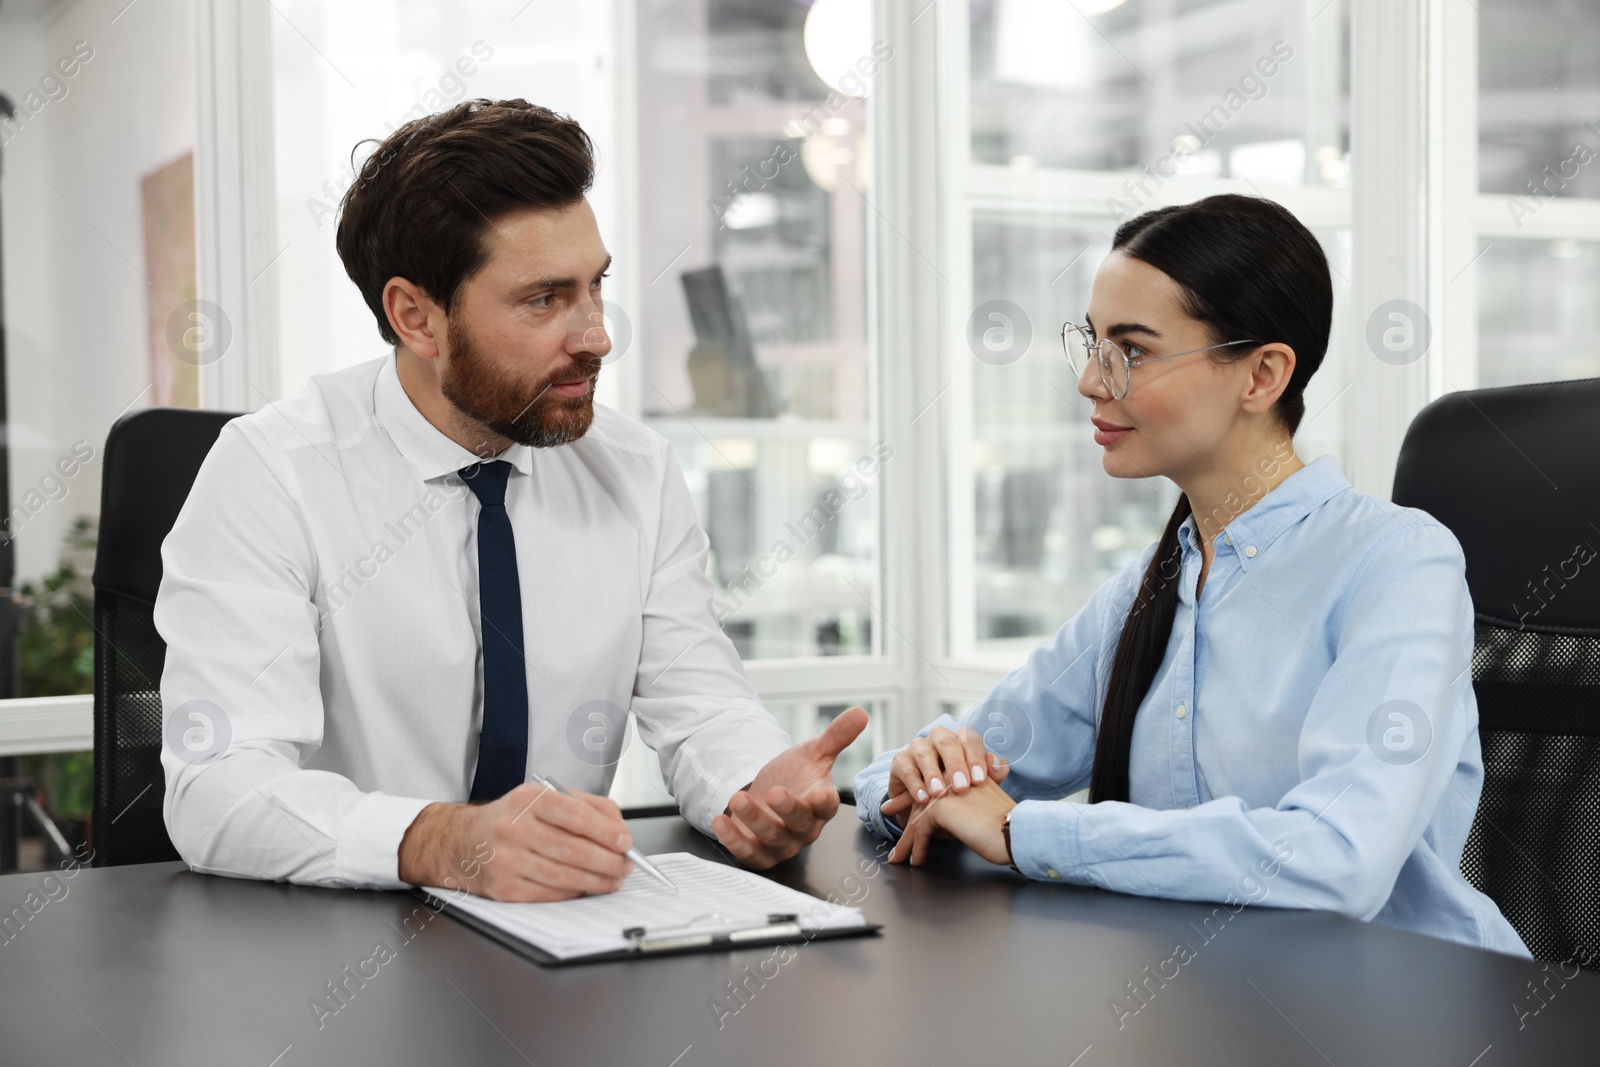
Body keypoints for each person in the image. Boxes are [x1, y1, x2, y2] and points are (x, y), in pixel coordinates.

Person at [156, 98, 867, 902]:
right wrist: (439, 839)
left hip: (567, 952)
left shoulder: (636, 470)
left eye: (596, 286)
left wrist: (752, 784)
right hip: (340, 946)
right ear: (414, 315)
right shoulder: (271, 473)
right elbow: (217, 787)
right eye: (544, 299)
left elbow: (700, 703)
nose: (596, 334)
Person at [854, 194, 1529, 957]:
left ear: (1262, 375)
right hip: (1205, 997)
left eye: (1131, 350)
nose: (1090, 382)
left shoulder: (1399, 563)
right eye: (1092, 342)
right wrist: (920, 775)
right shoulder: (1148, 590)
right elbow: (919, 767)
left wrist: (1018, 827)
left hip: (1404, 1009)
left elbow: (1343, 857)